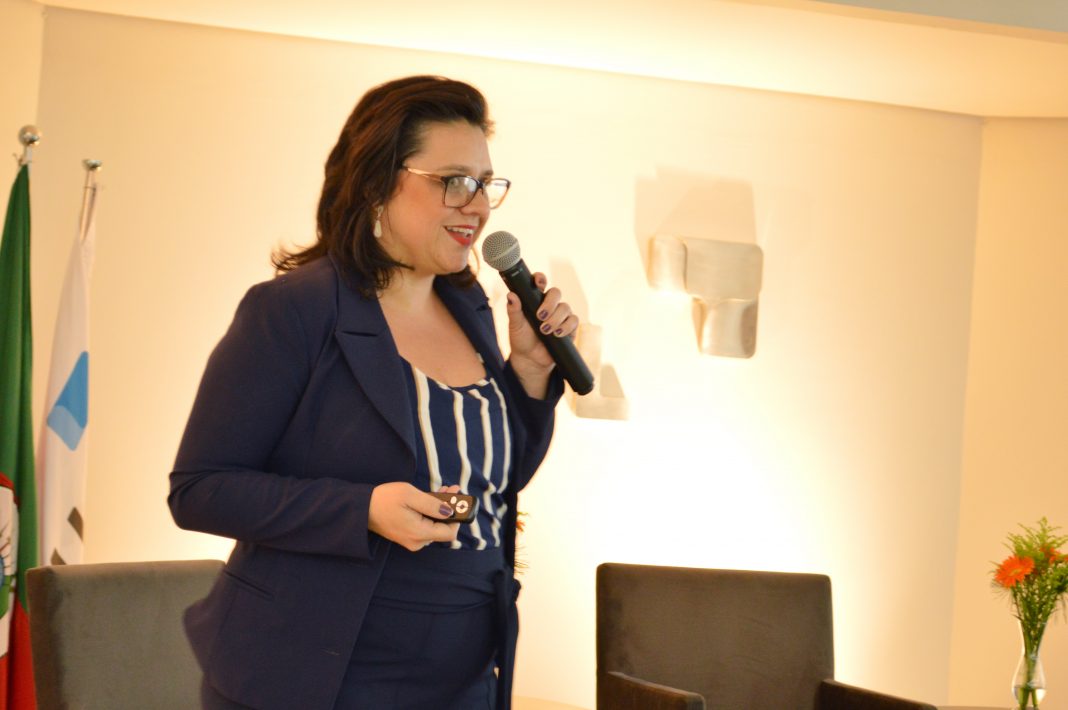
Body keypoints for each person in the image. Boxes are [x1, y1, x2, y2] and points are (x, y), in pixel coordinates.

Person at [168, 75, 576, 710]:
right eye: (454, 181)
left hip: (463, 678)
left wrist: (528, 372)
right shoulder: (294, 310)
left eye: (486, 183)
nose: (478, 206)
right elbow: (200, 489)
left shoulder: (471, 305)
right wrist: (362, 509)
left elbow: (499, 483)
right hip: (316, 674)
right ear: (376, 183)